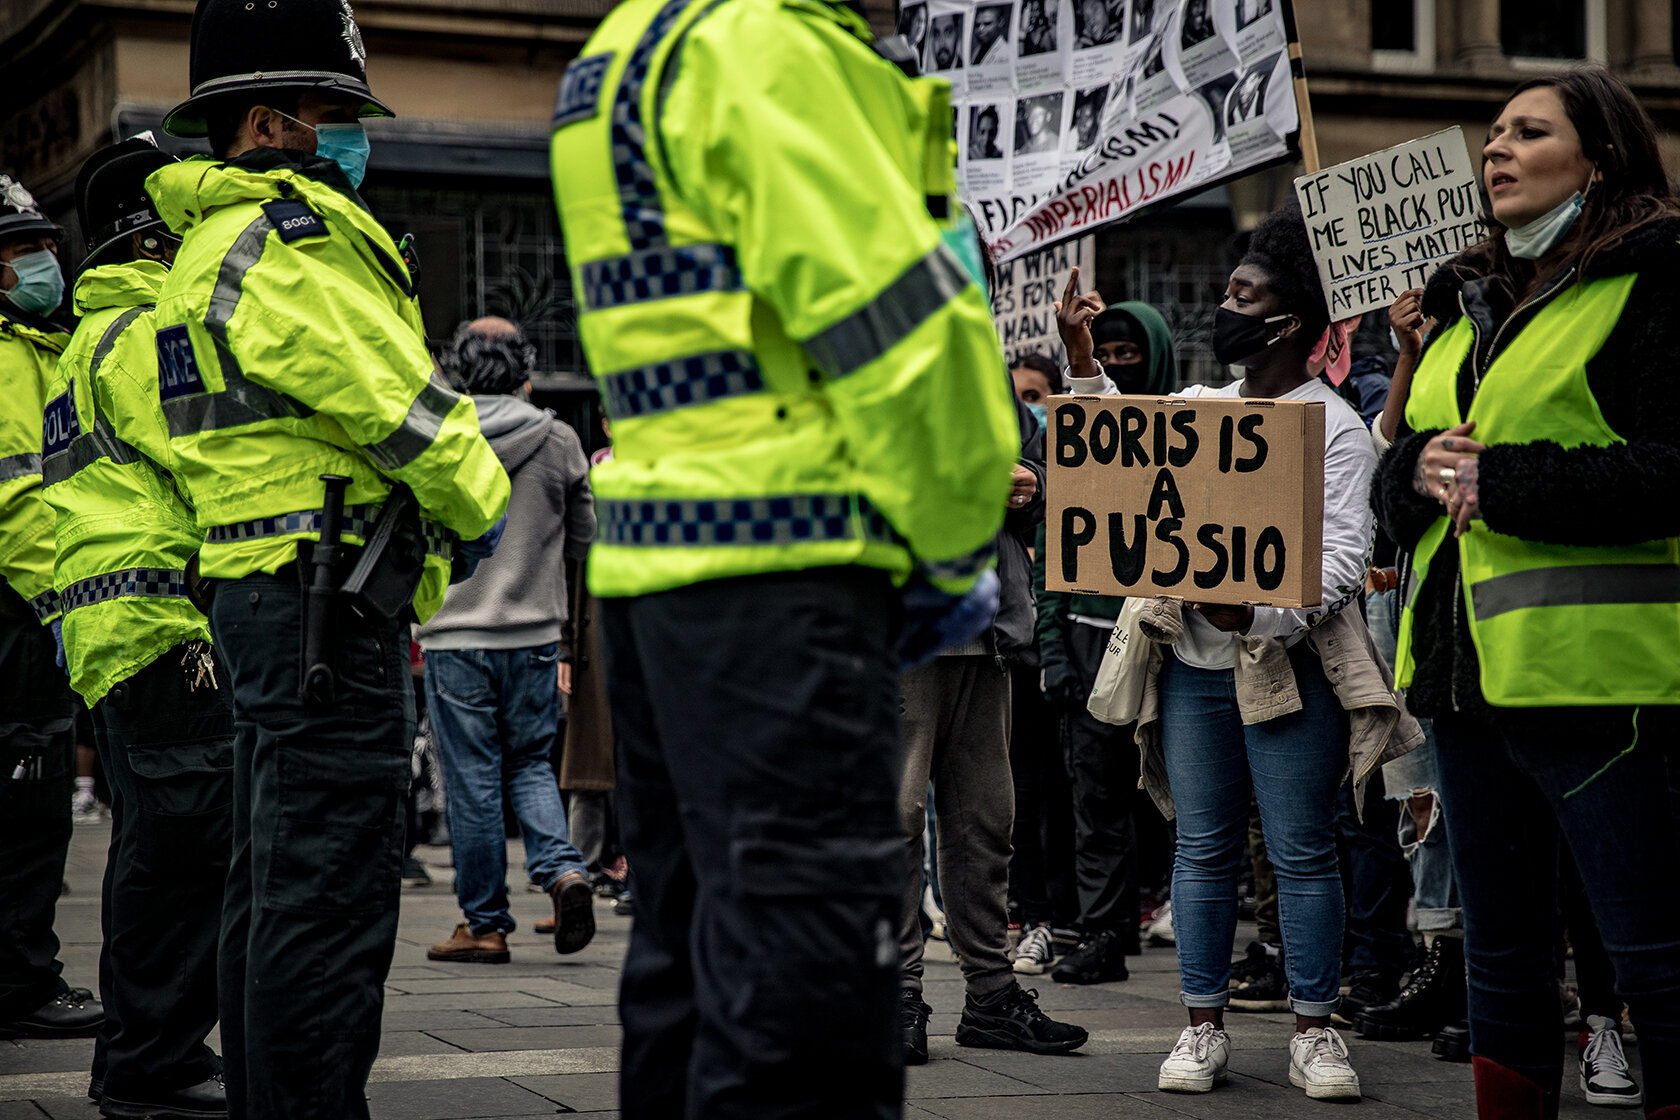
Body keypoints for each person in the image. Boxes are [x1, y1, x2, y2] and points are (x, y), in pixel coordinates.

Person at [548, 0, 1020, 1110]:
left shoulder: (627, 47)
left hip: (666, 567)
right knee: (806, 1001)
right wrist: (955, 542)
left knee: (688, 967)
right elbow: (907, 333)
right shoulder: (772, 47)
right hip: (791, 571)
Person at [149, 1, 510, 1115]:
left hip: (277, 601)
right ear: (266, 124)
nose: (348, 136)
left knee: (273, 895)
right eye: (331, 113)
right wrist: (480, 502)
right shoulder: (283, 239)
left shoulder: (207, 244)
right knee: (328, 903)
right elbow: (400, 405)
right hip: (326, 613)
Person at [1372, 70, 1680, 1118]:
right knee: (1500, 966)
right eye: (1493, 132)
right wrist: (1411, 471)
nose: (1495, 148)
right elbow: (1403, 475)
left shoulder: (1658, 283)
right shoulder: (1471, 299)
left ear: (1598, 157)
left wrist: (1503, 480)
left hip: (1608, 695)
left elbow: (1672, 470)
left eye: (1528, 132)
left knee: (1656, 961)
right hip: (1465, 690)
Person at [1137, 203, 1377, 1102]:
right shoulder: (1201, 409)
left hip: (1289, 675)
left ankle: (1315, 1032)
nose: (1225, 304)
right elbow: (1118, 468)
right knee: (1200, 849)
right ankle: (1201, 1027)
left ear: (1290, 323)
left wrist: (1255, 615)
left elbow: (1342, 564)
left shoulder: (1335, 429)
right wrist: (1086, 372)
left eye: (1245, 293)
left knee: (1301, 850)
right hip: (1196, 672)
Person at [41, 135, 233, 1119]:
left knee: (156, 846)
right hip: (165, 625)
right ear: (153, 237)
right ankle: (152, 1060)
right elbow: (211, 459)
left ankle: (148, 1051)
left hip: (114, 635)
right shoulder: (148, 333)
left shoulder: (83, 341)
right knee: (183, 852)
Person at [897, 366, 1087, 1066]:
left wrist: (1031, 482)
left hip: (986, 631)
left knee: (985, 820)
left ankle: (991, 996)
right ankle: (896, 994)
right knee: (896, 818)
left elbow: (1041, 467)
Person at [419, 316, 598, 964]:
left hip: (456, 630)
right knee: (528, 763)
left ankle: (486, 925)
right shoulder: (559, 439)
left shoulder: (440, 430)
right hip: (533, 633)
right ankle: (561, 870)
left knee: (472, 779)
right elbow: (585, 541)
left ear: (459, 365)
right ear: (524, 366)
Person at [1037, 286, 1180, 985]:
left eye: (1130, 353)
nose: (1118, 364)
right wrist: (1054, 645)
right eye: (1109, 353)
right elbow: (1054, 546)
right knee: (1094, 800)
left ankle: (1171, 910)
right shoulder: (1083, 444)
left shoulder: (1192, 428)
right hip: (1093, 643)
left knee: (1174, 796)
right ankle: (1102, 931)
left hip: (1169, 640)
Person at [0, 173, 105, 1046]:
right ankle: (20, 979)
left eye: (43, 246)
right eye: (20, 251)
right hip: (18, 611)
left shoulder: (37, 344)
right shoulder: (7, 356)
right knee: (27, 804)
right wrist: (58, 603)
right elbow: (19, 500)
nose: (41, 263)